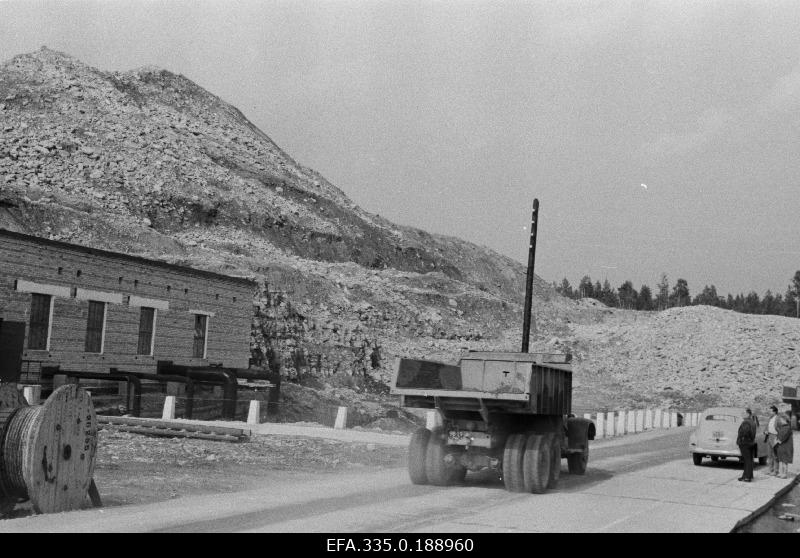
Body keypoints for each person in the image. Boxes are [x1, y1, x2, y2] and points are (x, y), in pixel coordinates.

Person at [737, 408, 756, 482]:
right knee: (749, 460)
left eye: (743, 413)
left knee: (747, 460)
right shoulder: (752, 422)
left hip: (745, 443)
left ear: (748, 414)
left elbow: (745, 432)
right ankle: (747, 475)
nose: (742, 414)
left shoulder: (746, 422)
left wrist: (741, 439)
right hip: (750, 442)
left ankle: (747, 477)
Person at [775, 412, 794, 479]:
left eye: (781, 420)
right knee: (782, 460)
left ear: (785, 420)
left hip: (786, 446)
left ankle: (785, 474)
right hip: (782, 446)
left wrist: (778, 440)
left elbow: (784, 436)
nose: (780, 421)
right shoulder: (783, 427)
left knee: (785, 461)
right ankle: (781, 472)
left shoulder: (787, 427)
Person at [765, 405, 780, 476]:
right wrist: (765, 431)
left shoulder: (778, 419)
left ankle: (776, 471)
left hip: (775, 436)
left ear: (774, 412)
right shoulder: (770, 418)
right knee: (769, 454)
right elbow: (766, 427)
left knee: (775, 455)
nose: (769, 412)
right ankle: (770, 469)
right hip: (769, 436)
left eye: (770, 411)